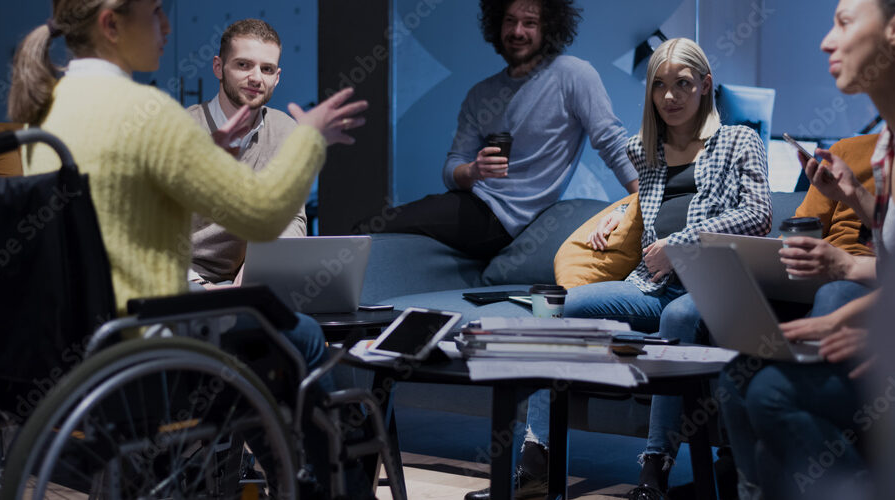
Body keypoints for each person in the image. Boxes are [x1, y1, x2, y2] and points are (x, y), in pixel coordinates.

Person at [9, 0, 365, 411]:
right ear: (111, 25)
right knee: (301, 336)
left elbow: (121, 210)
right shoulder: (153, 114)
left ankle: (263, 465)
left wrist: (199, 161)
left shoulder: (49, 107)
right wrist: (310, 137)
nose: (167, 27)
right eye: (155, 12)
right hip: (150, 323)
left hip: (78, 326)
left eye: (267, 69)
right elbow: (265, 215)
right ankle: (332, 469)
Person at [467, 38, 773, 500]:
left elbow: (758, 212)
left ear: (705, 86)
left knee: (678, 318)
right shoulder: (644, 150)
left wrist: (679, 244)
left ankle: (654, 471)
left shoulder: (737, 141)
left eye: (683, 84)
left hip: (713, 287)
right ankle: (535, 467)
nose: (670, 97)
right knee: (555, 306)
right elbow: (648, 201)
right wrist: (620, 212)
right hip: (652, 286)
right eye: (660, 86)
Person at [718, 0, 895, 498]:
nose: (825, 42)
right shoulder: (890, 146)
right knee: (737, 376)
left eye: (843, 23)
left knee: (773, 393)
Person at [355, 0, 638, 260]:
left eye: (529, 23)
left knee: (363, 230)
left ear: (548, 28)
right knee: (370, 229)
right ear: (496, 26)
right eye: (509, 21)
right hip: (471, 204)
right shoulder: (480, 95)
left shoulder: (574, 75)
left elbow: (611, 143)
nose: (517, 31)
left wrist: (643, 202)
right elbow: (452, 167)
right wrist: (473, 171)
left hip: (504, 220)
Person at [186, 19, 308, 289]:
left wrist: (262, 261)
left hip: (251, 280)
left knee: (308, 331)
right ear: (218, 67)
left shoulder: (286, 131)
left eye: (267, 69)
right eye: (243, 65)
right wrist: (199, 285)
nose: (256, 77)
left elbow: (292, 217)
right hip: (182, 276)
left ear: (276, 77)